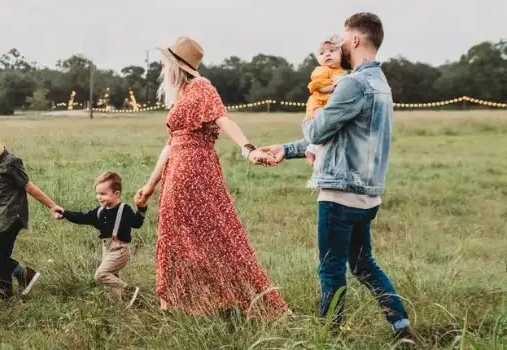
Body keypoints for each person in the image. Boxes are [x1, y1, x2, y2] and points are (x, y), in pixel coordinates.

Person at [258, 13, 416, 343]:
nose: (340, 45)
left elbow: (317, 129)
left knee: (331, 269)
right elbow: (338, 138)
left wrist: (311, 111)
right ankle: (402, 329)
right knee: (363, 265)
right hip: (368, 195)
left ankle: (329, 338)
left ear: (355, 40)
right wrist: (285, 150)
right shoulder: (380, 84)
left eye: (343, 39)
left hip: (340, 194)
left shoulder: (353, 84)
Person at [133, 35, 290, 318]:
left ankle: (231, 298)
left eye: (165, 62)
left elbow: (223, 119)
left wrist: (248, 150)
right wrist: (150, 186)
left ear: (176, 65)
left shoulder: (201, 88)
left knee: (216, 234)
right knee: (173, 237)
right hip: (176, 172)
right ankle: (179, 303)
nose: (161, 67)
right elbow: (170, 145)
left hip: (195, 170)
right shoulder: (180, 96)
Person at [0, 116, 63, 300]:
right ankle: (24, 274)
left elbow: (29, 187)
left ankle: (6, 294)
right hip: (1, 218)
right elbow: (3, 186)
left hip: (11, 218)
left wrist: (53, 206)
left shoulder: (11, 162)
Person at [54, 171, 144, 308]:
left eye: (103, 194)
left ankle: (130, 291)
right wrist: (64, 213)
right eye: (97, 194)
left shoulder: (124, 210)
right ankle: (119, 307)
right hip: (106, 249)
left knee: (101, 274)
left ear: (116, 194)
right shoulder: (100, 211)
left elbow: (136, 223)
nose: (99, 197)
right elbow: (82, 217)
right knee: (112, 280)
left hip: (120, 249)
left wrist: (141, 209)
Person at [304, 34, 348, 168]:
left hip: (329, 103)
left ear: (341, 54)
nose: (327, 55)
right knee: (323, 126)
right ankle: (313, 151)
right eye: (322, 53)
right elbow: (319, 87)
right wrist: (334, 86)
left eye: (332, 51)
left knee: (328, 130)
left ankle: (312, 149)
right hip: (319, 103)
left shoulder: (341, 71)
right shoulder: (321, 70)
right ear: (318, 58)